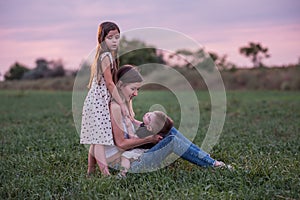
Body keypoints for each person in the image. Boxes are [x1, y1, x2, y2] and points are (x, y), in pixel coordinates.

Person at [108, 65, 226, 176]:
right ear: (120, 85)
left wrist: (152, 127)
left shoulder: (126, 101)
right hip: (126, 163)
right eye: (133, 89)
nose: (136, 93)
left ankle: (206, 158)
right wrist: (149, 139)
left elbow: (132, 123)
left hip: (136, 151)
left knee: (168, 129)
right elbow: (121, 144)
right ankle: (213, 164)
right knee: (172, 140)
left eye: (138, 89)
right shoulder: (116, 107)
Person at [80, 21, 130, 176]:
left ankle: (90, 171)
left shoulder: (103, 55)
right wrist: (121, 103)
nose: (114, 41)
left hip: (96, 100)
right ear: (102, 39)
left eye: (117, 37)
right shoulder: (106, 56)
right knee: (100, 139)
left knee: (96, 138)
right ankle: (105, 173)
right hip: (98, 102)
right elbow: (109, 82)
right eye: (110, 37)